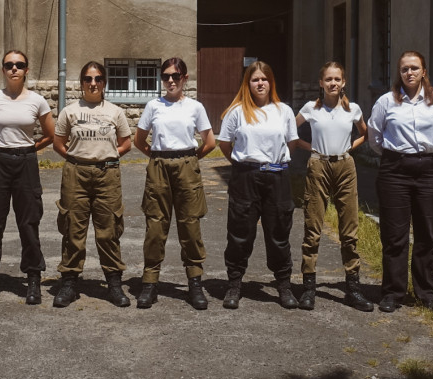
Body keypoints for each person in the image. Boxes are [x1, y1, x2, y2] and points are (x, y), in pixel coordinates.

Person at [367, 51, 433, 313]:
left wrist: (423, 156)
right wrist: (398, 156)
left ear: (424, 72)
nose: (410, 73)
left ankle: (426, 293)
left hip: (429, 171)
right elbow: (375, 136)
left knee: (427, 234)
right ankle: (393, 292)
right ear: (399, 73)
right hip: (395, 170)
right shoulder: (386, 102)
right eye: (404, 69)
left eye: (415, 68)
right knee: (395, 236)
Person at [0, 50, 56, 305]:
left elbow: (50, 135)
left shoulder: (38, 101)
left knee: (29, 223)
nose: (14, 69)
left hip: (26, 163)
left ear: (26, 70)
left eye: (19, 65)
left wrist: (28, 149)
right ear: (3, 70)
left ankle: (32, 279)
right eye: (9, 65)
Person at [216, 61, 300, 310]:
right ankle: (234, 285)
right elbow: (225, 144)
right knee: (240, 234)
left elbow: (290, 144)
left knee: (278, 234)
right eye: (255, 79)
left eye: (264, 79)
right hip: (245, 178)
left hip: (277, 177)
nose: (260, 83)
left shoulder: (283, 110)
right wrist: (244, 165)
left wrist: (272, 163)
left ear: (271, 82)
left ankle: (284, 286)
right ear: (248, 84)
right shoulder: (237, 112)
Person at [133, 57, 216, 310]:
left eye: (176, 76)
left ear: (185, 78)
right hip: (159, 165)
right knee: (156, 227)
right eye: (166, 76)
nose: (170, 80)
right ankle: (150, 283)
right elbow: (139, 141)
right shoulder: (153, 106)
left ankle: (194, 283)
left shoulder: (195, 107)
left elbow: (209, 142)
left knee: (190, 225)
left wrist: (190, 159)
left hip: (187, 166)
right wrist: (158, 157)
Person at [51, 62, 133, 308]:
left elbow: (126, 143)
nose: (93, 83)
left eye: (98, 79)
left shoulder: (115, 112)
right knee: (73, 229)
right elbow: (58, 143)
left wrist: (106, 154)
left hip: (107, 175)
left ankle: (114, 283)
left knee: (108, 230)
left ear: (104, 83)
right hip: (76, 173)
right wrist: (79, 159)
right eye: (88, 79)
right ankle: (69, 283)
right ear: (81, 83)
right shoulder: (70, 111)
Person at [294, 61, 373, 312]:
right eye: (328, 79)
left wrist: (352, 146)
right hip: (318, 165)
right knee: (313, 227)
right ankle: (308, 288)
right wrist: (310, 148)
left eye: (337, 79)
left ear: (343, 82)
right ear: (321, 83)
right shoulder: (311, 108)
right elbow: (291, 131)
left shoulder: (353, 109)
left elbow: (365, 133)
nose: (333, 83)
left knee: (349, 230)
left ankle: (353, 288)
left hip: (345, 167)